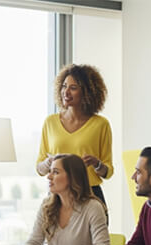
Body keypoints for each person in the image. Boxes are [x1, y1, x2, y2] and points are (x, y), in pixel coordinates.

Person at [36, 64, 113, 207]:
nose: (66, 92)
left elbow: (107, 172)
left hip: (90, 196)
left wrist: (96, 164)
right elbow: (40, 169)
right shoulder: (50, 122)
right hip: (57, 198)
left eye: (73, 88)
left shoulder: (101, 124)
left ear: (87, 92)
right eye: (64, 86)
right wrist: (49, 162)